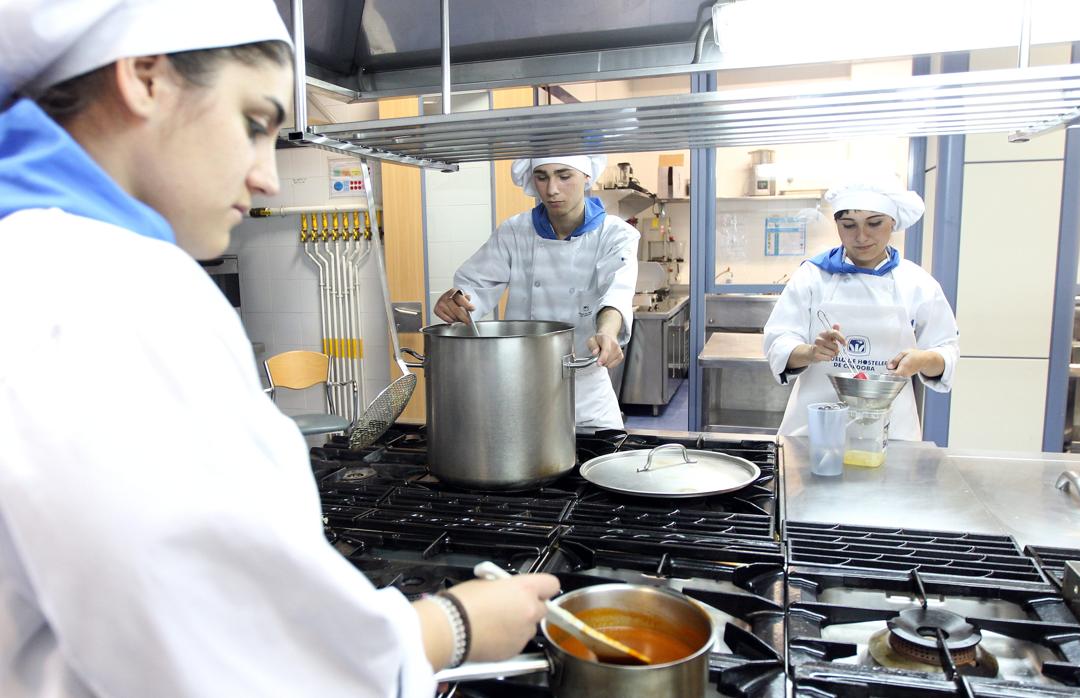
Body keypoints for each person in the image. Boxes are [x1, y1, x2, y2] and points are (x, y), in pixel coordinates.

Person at [0, 1, 558, 696]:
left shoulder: (30, 258)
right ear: (146, 77)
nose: (268, 176)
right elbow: (227, 659)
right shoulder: (107, 286)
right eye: (255, 123)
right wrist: (451, 627)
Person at [433, 154, 639, 430]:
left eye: (564, 176)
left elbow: (616, 293)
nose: (551, 189)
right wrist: (459, 300)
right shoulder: (515, 232)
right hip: (519, 392)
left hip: (586, 397)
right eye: (542, 177)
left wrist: (607, 332)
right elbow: (475, 285)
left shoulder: (615, 234)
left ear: (586, 176)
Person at [763, 181, 960, 439]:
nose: (861, 236)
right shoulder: (812, 276)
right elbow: (779, 343)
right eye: (849, 225)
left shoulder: (917, 283)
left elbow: (946, 352)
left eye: (874, 223)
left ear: (893, 222)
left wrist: (923, 360)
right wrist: (811, 352)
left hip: (891, 434)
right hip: (814, 433)